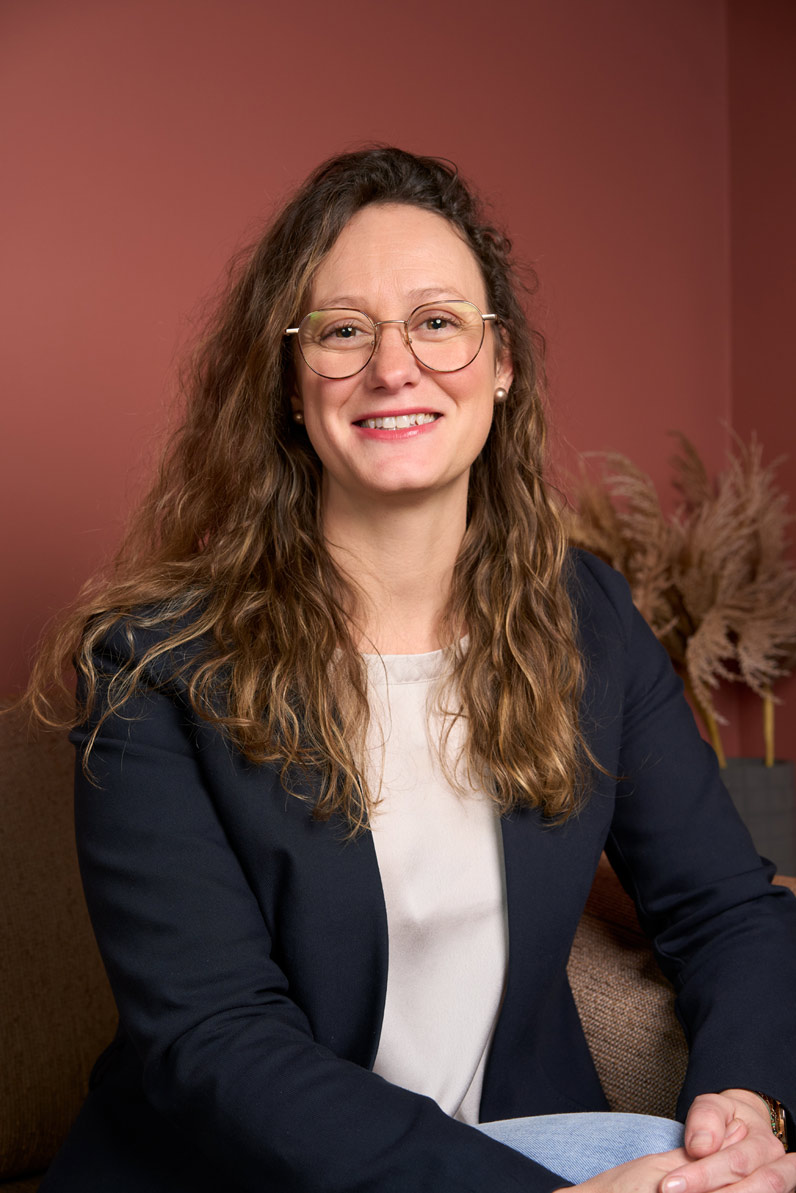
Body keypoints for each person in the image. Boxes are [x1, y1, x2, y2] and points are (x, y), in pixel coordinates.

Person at [30, 147, 796, 1193]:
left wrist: (743, 1106)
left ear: (500, 362)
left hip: (517, 1147)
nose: (395, 367)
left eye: (437, 321)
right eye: (344, 331)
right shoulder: (157, 662)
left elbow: (725, 907)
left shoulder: (586, 618)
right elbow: (216, 1040)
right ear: (290, 385)